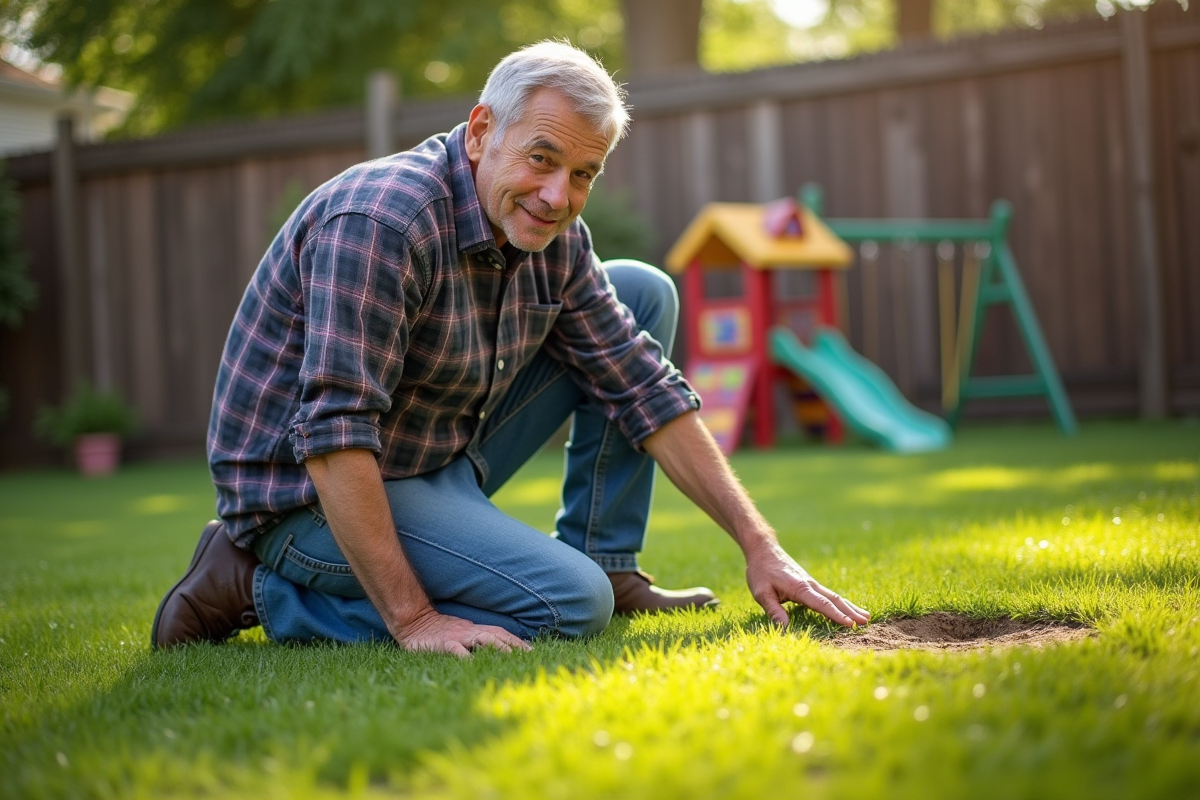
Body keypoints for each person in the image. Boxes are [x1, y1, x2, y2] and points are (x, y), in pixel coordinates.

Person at [151, 41, 869, 655]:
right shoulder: (381, 224)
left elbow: (642, 385)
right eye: (543, 159)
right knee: (568, 606)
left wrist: (758, 542)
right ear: (479, 131)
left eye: (582, 174)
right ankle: (256, 583)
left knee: (642, 292)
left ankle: (610, 563)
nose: (558, 196)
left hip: (429, 454)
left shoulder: (553, 239)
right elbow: (336, 438)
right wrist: (415, 619)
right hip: (307, 495)